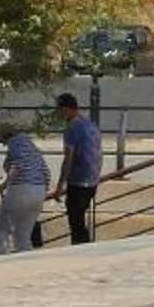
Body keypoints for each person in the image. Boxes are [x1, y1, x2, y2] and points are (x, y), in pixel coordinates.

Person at [0, 122, 50, 256]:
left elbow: (17, 165)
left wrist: (4, 185)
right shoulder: (30, 146)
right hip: (39, 191)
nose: (4, 145)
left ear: (5, 137)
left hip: (22, 190)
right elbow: (46, 171)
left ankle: (0, 261)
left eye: (2, 142)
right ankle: (26, 265)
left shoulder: (15, 143)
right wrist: (43, 192)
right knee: (23, 236)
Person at [55, 92, 101, 244]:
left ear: (67, 109)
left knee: (76, 223)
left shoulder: (72, 129)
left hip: (78, 182)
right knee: (80, 221)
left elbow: (68, 158)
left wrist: (59, 186)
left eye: (60, 110)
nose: (59, 114)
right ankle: (84, 250)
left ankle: (80, 253)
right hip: (92, 181)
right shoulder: (91, 125)